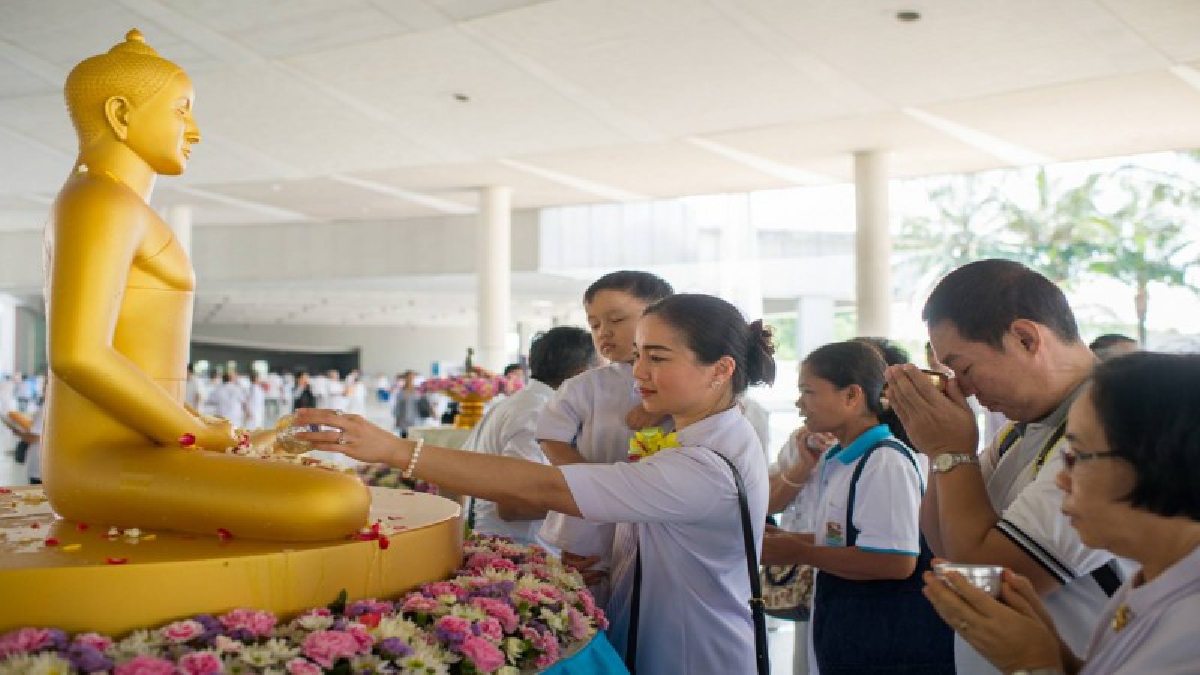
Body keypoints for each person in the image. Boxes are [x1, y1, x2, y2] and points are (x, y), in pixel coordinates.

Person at [295, 293, 774, 674]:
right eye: (639, 356)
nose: (639, 373)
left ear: (721, 369)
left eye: (658, 358)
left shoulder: (706, 465)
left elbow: (547, 487)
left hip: (694, 651)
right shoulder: (691, 434)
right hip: (658, 631)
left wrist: (399, 452)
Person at [39, 29, 366, 540]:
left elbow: (141, 371)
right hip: (96, 465)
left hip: (147, 446)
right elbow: (77, 354)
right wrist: (194, 434)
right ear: (121, 115)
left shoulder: (119, 204)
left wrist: (235, 438)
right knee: (334, 500)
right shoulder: (96, 200)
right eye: (180, 110)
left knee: (332, 485)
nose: (193, 131)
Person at [885, 259, 1123, 674]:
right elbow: (945, 541)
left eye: (965, 369)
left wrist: (950, 450)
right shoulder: (1024, 427)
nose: (965, 390)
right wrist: (936, 447)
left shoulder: (1113, 421)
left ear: (1026, 338)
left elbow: (987, 576)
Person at [922, 351, 1200, 674]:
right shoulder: (1150, 579)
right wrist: (1054, 651)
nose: (1062, 479)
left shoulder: (1190, 625)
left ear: (1158, 461)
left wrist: (1032, 664)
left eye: (1078, 456)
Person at [762, 340, 954, 674]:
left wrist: (796, 550)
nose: (799, 404)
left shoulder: (884, 461)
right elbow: (847, 540)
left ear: (852, 396)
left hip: (886, 644)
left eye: (808, 392)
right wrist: (783, 540)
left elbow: (895, 561)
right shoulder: (842, 458)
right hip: (851, 635)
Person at [536, 270, 673, 618]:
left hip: (664, 525)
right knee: (595, 611)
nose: (604, 333)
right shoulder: (586, 386)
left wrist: (663, 407)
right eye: (594, 324)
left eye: (616, 319)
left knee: (651, 615)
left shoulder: (686, 381)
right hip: (594, 525)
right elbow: (550, 435)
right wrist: (590, 485)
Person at [461, 327, 599, 545]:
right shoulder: (537, 413)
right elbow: (515, 504)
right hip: (515, 549)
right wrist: (599, 502)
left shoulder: (521, 403)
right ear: (580, 373)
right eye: (600, 371)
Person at [391, 371, 432, 437]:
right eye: (409, 377)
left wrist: (431, 411)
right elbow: (397, 407)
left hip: (416, 419)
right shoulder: (400, 392)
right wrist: (397, 420)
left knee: (415, 439)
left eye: (412, 377)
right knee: (404, 439)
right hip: (404, 420)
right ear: (405, 378)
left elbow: (425, 403)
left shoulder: (418, 391)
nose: (410, 379)